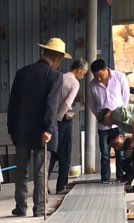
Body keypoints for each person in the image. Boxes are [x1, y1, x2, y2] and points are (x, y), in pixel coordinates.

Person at [7, 38, 66, 217]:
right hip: (42, 132)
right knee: (41, 171)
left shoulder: (22, 73)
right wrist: (49, 129)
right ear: (57, 58)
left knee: (21, 170)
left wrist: (11, 128)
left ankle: (20, 207)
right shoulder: (55, 76)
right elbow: (51, 105)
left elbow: (13, 103)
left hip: (21, 130)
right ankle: (39, 208)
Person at [48, 58, 88, 196]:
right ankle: (61, 186)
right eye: (83, 73)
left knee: (52, 152)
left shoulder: (59, 77)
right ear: (79, 70)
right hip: (63, 120)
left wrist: (53, 119)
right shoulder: (74, 83)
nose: (83, 76)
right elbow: (67, 103)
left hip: (51, 119)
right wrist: (59, 118)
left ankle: (43, 184)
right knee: (65, 153)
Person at [87, 59, 129, 183]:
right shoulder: (92, 85)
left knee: (120, 151)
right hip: (103, 126)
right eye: (96, 77)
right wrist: (101, 117)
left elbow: (125, 97)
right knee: (105, 153)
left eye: (101, 76)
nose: (99, 79)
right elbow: (92, 105)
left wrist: (120, 115)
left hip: (118, 123)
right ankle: (105, 179)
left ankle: (121, 177)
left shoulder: (119, 77)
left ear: (106, 69)